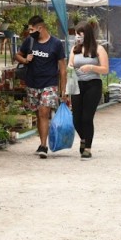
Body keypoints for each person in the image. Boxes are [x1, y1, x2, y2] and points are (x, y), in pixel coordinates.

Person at [15, 15, 67, 159]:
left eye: (31, 29)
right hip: (32, 83)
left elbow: (62, 68)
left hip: (49, 83)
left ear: (40, 28)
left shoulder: (55, 44)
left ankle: (44, 145)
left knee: (44, 112)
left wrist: (63, 89)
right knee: (39, 114)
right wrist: (25, 60)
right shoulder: (30, 41)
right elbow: (17, 55)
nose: (29, 31)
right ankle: (41, 142)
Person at [68, 22, 109, 160]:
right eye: (76, 34)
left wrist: (91, 67)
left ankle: (88, 148)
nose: (78, 37)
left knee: (87, 117)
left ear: (87, 34)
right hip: (77, 84)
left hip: (93, 84)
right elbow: (70, 64)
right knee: (76, 118)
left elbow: (105, 69)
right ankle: (83, 138)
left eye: (80, 34)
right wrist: (69, 68)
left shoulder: (98, 49)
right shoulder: (75, 49)